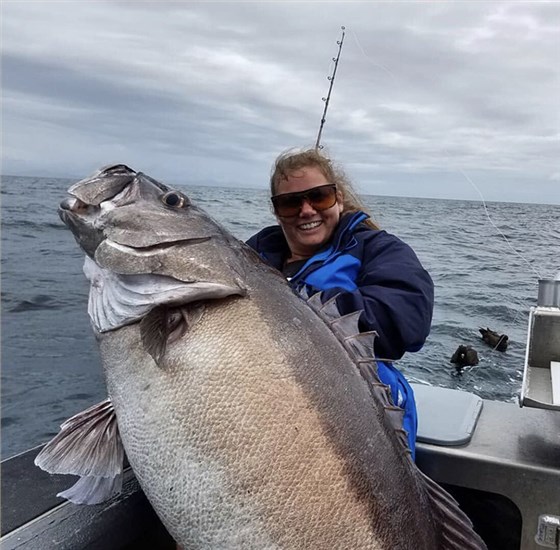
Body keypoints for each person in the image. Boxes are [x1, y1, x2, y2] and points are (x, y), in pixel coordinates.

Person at [246, 148, 434, 459]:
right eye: (290, 203)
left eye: (318, 197)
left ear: (339, 198)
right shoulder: (252, 256)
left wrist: (290, 304)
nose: (306, 211)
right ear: (277, 211)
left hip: (360, 416)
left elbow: (405, 319)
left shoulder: (378, 249)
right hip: (266, 410)